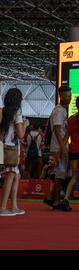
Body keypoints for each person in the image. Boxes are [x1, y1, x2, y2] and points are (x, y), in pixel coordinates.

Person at [0, 88, 30, 216]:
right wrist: (25, 124)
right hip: (12, 148)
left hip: (3, 146)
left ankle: (14, 206)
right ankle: (3, 207)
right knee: (11, 175)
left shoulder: (4, 112)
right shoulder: (17, 113)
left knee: (15, 175)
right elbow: (21, 134)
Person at [43, 85, 72, 210]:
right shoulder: (59, 110)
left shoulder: (62, 110)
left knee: (61, 174)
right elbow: (57, 129)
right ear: (60, 96)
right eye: (66, 96)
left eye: (70, 96)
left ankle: (51, 198)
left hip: (60, 146)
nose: (69, 98)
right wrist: (63, 148)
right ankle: (54, 201)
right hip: (58, 147)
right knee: (60, 175)